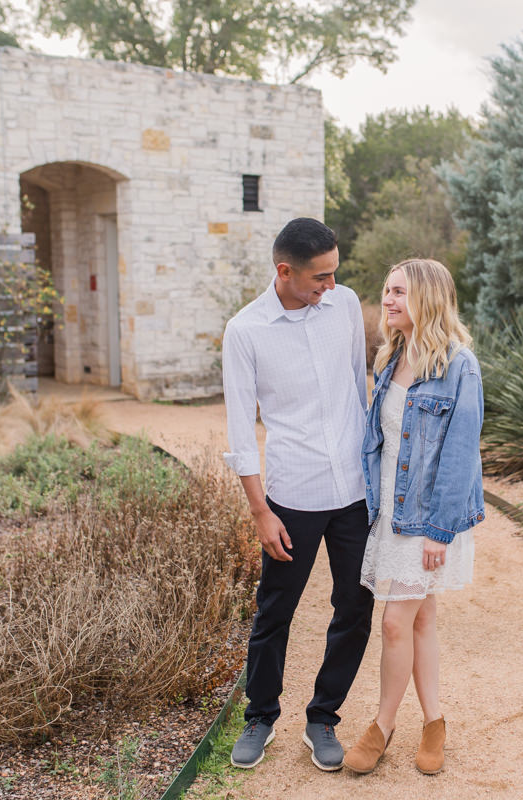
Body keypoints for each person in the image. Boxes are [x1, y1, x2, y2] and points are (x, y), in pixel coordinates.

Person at [221, 218, 373, 772]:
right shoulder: (245, 332)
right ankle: (260, 716)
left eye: (335, 274)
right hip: (292, 494)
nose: (330, 287)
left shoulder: (346, 304)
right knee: (274, 611)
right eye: (319, 278)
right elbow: (240, 432)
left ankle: (323, 717)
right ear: (284, 271)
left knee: (355, 608)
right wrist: (260, 510)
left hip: (355, 492)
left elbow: (358, 391)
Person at [342, 258, 485, 776]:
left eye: (399, 291)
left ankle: (381, 726)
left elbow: (461, 452)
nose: (388, 299)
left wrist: (440, 531)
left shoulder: (458, 365)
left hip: (427, 521)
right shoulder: (392, 355)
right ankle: (434, 721)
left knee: (394, 622)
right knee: (421, 618)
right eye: (386, 290)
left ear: (426, 297)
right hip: (389, 513)